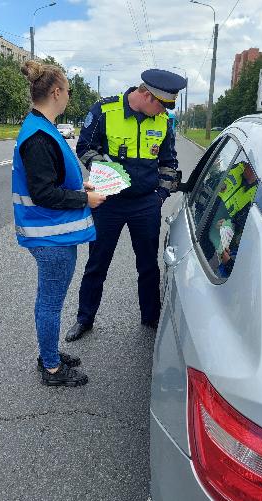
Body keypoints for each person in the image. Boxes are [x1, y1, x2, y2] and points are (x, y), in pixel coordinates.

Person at [65, 69, 187, 342]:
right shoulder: (104, 111)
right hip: (108, 202)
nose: (162, 112)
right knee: (97, 263)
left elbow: (169, 163)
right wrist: (108, 171)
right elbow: (84, 147)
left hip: (146, 204)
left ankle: (151, 317)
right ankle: (84, 318)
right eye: (160, 104)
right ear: (145, 94)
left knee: (147, 265)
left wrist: (159, 197)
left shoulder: (163, 120)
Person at [12, 61, 106, 386]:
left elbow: (55, 180)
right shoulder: (38, 136)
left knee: (50, 301)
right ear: (56, 92)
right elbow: (43, 194)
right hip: (49, 236)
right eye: (67, 90)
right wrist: (85, 200)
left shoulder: (44, 126)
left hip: (54, 232)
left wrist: (83, 188)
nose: (69, 95)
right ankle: (51, 367)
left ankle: (49, 352)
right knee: (50, 304)